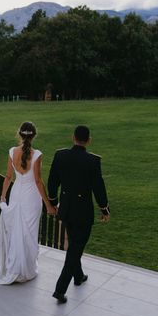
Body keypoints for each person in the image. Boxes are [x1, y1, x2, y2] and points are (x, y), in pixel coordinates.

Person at [47, 125, 110, 303]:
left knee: (74, 243)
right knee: (75, 249)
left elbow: (52, 182)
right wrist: (104, 208)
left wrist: (53, 202)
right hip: (83, 212)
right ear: (88, 140)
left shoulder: (60, 156)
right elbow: (99, 188)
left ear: (73, 137)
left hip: (66, 209)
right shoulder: (92, 161)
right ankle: (60, 290)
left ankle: (79, 276)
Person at [0, 121, 57, 284]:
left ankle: (15, 267)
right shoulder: (37, 155)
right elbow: (38, 181)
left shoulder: (12, 152)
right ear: (34, 136)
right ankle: (25, 269)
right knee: (29, 233)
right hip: (31, 198)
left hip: (16, 194)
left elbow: (8, 177)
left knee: (16, 232)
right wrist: (48, 204)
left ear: (19, 134)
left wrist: (3, 195)